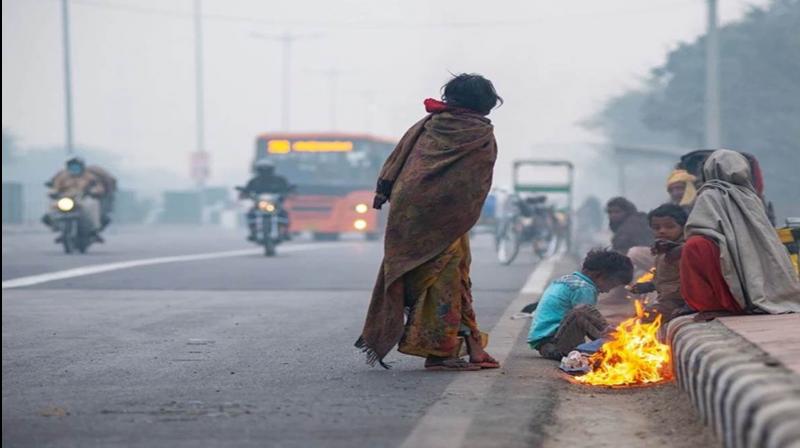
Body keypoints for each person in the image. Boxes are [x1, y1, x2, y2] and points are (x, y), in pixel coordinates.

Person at [355, 73, 502, 371]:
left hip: (408, 213)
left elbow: (398, 161)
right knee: (444, 281)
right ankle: (440, 354)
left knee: (454, 275)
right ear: (484, 104)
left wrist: (384, 191)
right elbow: (473, 183)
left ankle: (473, 346)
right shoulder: (478, 133)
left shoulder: (428, 126)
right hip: (447, 216)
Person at [681, 149, 800, 314]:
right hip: (748, 265)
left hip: (724, 264)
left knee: (695, 246)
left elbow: (698, 229)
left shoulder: (709, 195)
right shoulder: (751, 197)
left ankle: (715, 304)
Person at [528, 249, 633, 360]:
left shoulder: (568, 280)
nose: (607, 291)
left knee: (587, 315)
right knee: (583, 311)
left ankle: (611, 342)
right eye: (611, 284)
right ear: (599, 275)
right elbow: (587, 318)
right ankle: (614, 345)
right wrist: (608, 334)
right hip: (556, 345)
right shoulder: (584, 288)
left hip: (545, 344)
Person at [630, 203, 689, 321]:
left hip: (679, 303)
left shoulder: (683, 250)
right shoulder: (662, 250)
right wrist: (649, 285)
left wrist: (689, 305)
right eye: (657, 228)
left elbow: (693, 281)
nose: (662, 231)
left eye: (669, 227)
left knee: (641, 321)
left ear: (683, 227)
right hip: (666, 300)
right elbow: (668, 279)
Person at [45, 157, 107, 234]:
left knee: (92, 204)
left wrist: (95, 191)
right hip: (65, 199)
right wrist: (53, 192)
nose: (74, 169)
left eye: (76, 167)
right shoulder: (62, 176)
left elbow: (97, 186)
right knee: (52, 206)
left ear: (81, 167)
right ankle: (54, 225)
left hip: (82, 198)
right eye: (72, 167)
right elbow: (56, 187)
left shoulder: (89, 176)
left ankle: (94, 227)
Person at [240, 159, 293, 241]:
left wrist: (288, 192)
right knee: (250, 214)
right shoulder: (254, 181)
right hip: (259, 204)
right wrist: (245, 193)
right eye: (262, 170)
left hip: (275, 203)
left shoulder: (279, 180)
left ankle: (286, 232)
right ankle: (253, 232)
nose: (265, 172)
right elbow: (247, 190)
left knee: (284, 214)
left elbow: (287, 188)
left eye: (267, 170)